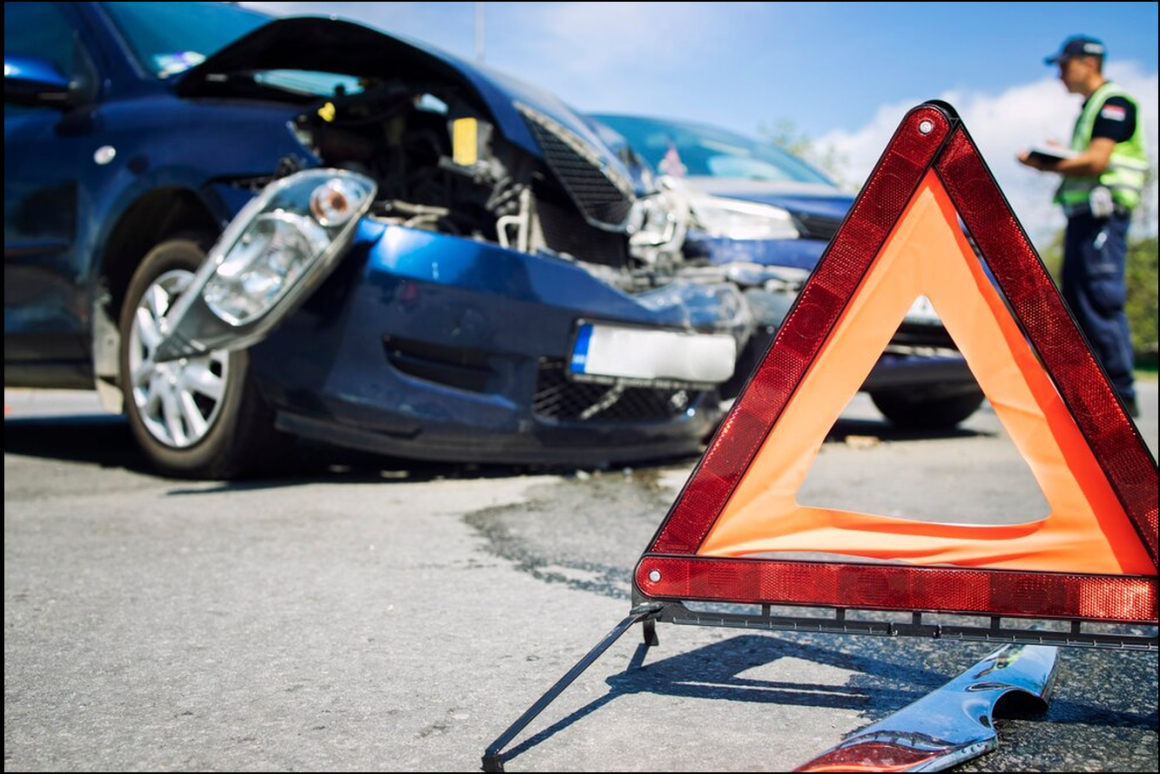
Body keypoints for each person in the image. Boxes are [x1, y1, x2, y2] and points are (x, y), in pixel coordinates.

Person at [1019, 35, 1148, 418]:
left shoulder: (1114, 104)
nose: (1059, 74)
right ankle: (1093, 397)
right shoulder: (1091, 108)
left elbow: (1095, 162)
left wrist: (1047, 163)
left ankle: (1120, 399)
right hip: (1085, 220)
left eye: (1063, 65)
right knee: (1078, 301)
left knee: (1099, 300)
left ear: (1088, 64)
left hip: (1102, 219)